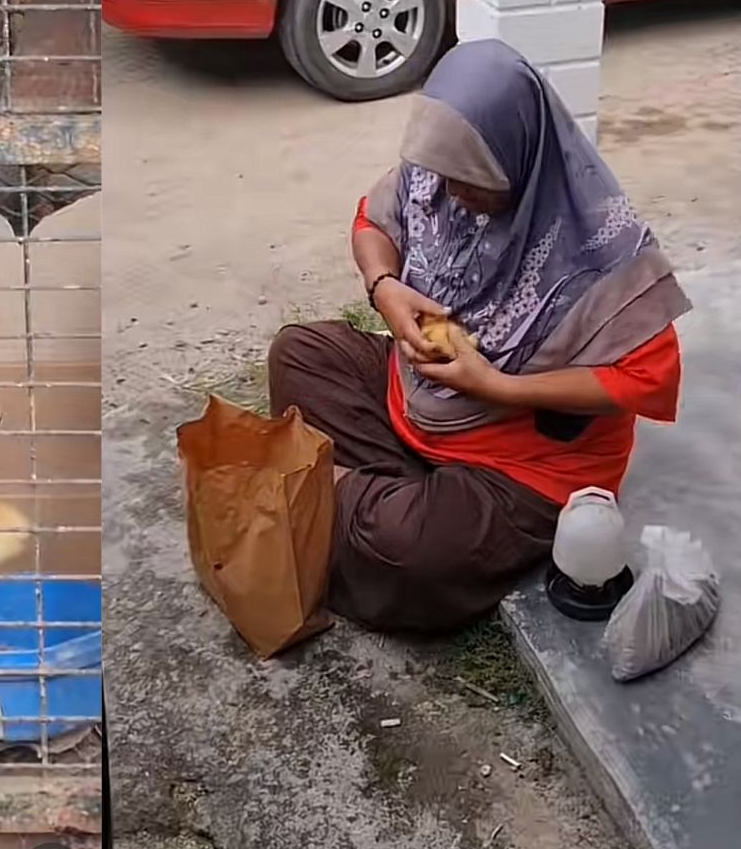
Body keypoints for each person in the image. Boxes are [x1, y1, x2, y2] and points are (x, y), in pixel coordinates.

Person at [268, 39, 691, 633]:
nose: (453, 195)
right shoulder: (433, 180)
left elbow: (648, 377)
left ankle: (336, 496)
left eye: (474, 181)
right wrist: (385, 287)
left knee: (415, 556)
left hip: (524, 459)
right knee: (302, 353)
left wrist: (498, 386)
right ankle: (376, 496)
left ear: (522, 155)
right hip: (421, 397)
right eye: (445, 176)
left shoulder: (599, 246)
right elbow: (372, 221)